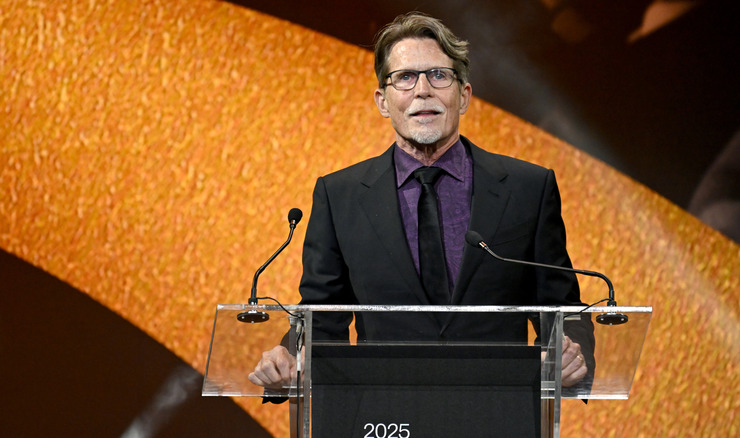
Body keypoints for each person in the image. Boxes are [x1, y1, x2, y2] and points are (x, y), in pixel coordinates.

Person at [249, 11, 593, 391]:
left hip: (498, 408)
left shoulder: (528, 188)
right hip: (383, 412)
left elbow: (563, 309)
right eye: (405, 78)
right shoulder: (339, 195)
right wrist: (288, 358)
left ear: (463, 96)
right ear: (383, 101)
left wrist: (574, 354)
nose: (423, 90)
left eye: (439, 75)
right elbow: (320, 316)